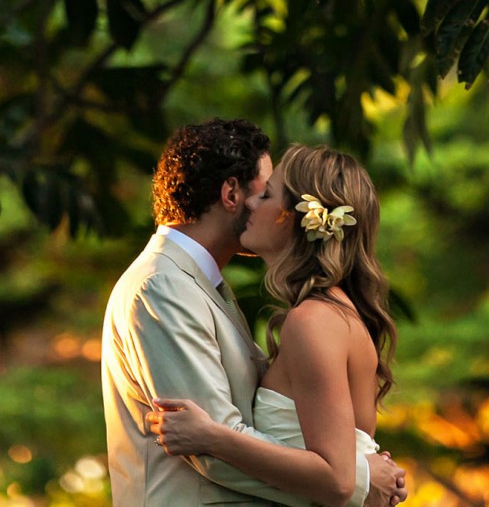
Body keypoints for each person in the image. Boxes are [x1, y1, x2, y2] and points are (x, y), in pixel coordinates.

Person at [102, 119, 405, 507]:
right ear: (231, 192)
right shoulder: (162, 286)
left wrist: (352, 476)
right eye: (263, 191)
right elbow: (211, 453)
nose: (256, 204)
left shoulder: (289, 310)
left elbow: (224, 435)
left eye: (267, 196)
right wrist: (362, 478)